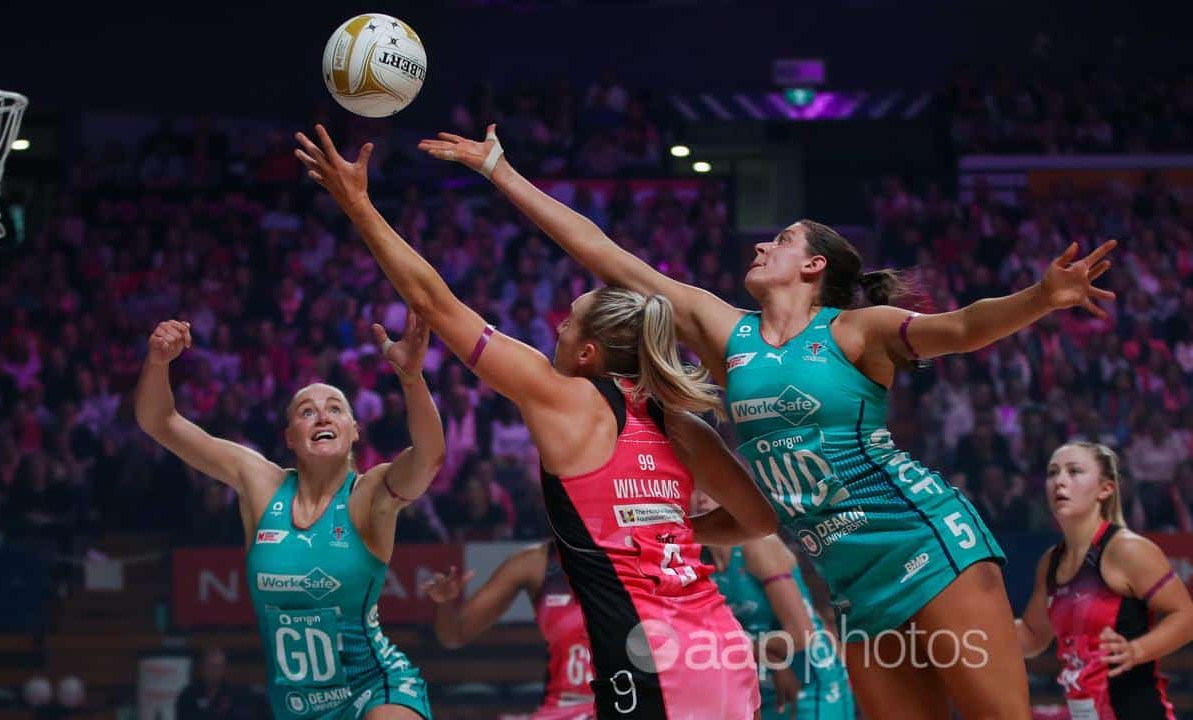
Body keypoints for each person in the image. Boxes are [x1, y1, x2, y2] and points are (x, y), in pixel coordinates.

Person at [417, 125, 1119, 719]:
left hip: (927, 545)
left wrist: (1041, 297)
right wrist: (500, 170)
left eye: (779, 240)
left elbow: (962, 327)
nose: (759, 247)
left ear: (813, 265)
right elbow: (605, 255)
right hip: (851, 582)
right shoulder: (730, 335)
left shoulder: (854, 331)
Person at [296, 126, 778, 720]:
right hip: (722, 651)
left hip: (654, 662)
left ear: (588, 354)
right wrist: (672, 532)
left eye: (568, 323)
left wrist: (357, 205)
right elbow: (759, 519)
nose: (557, 328)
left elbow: (435, 301)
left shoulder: (565, 399)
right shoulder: (684, 427)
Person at [136, 313, 443, 720]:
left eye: (335, 409)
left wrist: (412, 379)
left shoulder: (368, 495)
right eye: (307, 411)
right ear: (290, 437)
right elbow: (159, 421)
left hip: (375, 687)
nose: (322, 416)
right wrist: (157, 363)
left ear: (354, 431)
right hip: (297, 708)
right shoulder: (261, 484)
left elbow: (428, 457)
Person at [1015, 443, 1193, 719]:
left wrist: (1137, 650)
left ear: (1105, 489)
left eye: (1074, 471)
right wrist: (972, 626)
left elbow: (1186, 616)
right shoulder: (1051, 562)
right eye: (1052, 473)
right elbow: (1032, 636)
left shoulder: (1127, 550)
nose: (1060, 481)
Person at [694, 491, 855, 720]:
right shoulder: (696, 559)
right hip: (763, 684)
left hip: (810, 681)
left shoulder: (758, 544)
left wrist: (749, 651)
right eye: (694, 488)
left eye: (710, 489)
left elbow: (801, 635)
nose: (702, 498)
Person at [421, 543, 593, 720]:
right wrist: (444, 603)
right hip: (564, 708)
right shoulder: (535, 562)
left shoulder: (615, 556)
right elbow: (454, 636)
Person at [176, 647, 249, 720]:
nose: (214, 671)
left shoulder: (236, 696)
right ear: (202, 667)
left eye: (218, 666)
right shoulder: (188, 696)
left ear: (224, 669)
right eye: (210, 666)